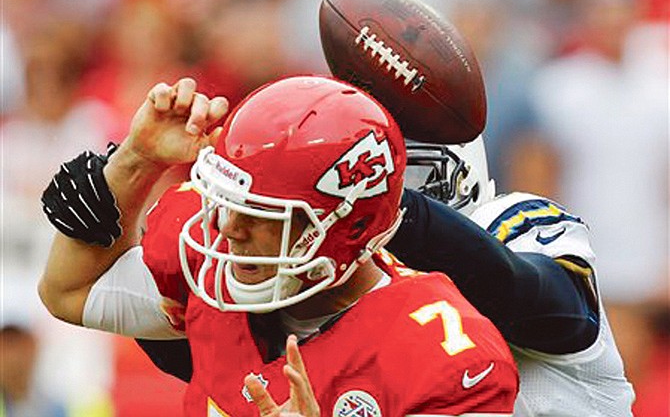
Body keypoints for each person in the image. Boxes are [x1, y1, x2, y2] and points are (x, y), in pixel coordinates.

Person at [38, 76, 518, 416]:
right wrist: (136, 160)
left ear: (344, 228)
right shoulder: (211, 256)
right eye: (229, 202)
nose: (229, 228)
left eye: (262, 215)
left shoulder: (443, 354)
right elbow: (68, 292)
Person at [393, 137, 635, 416]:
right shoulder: (349, 295)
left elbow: (516, 288)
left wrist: (392, 205)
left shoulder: (509, 221)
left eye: (409, 176)